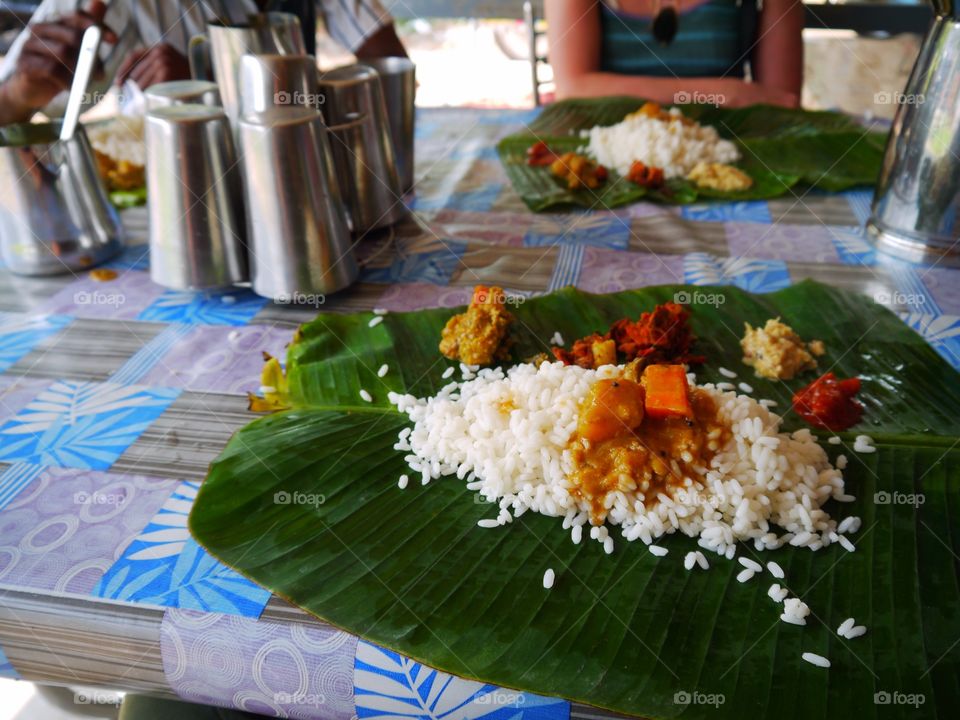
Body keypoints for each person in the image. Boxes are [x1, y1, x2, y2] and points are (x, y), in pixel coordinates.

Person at [0, 0, 407, 126]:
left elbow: (392, 71)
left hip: (298, 193)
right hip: (176, 211)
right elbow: (8, 108)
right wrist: (23, 92)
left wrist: (208, 86)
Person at [545, 0, 803, 108]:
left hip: (730, 156)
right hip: (606, 161)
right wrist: (723, 94)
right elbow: (573, 88)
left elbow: (781, 101)